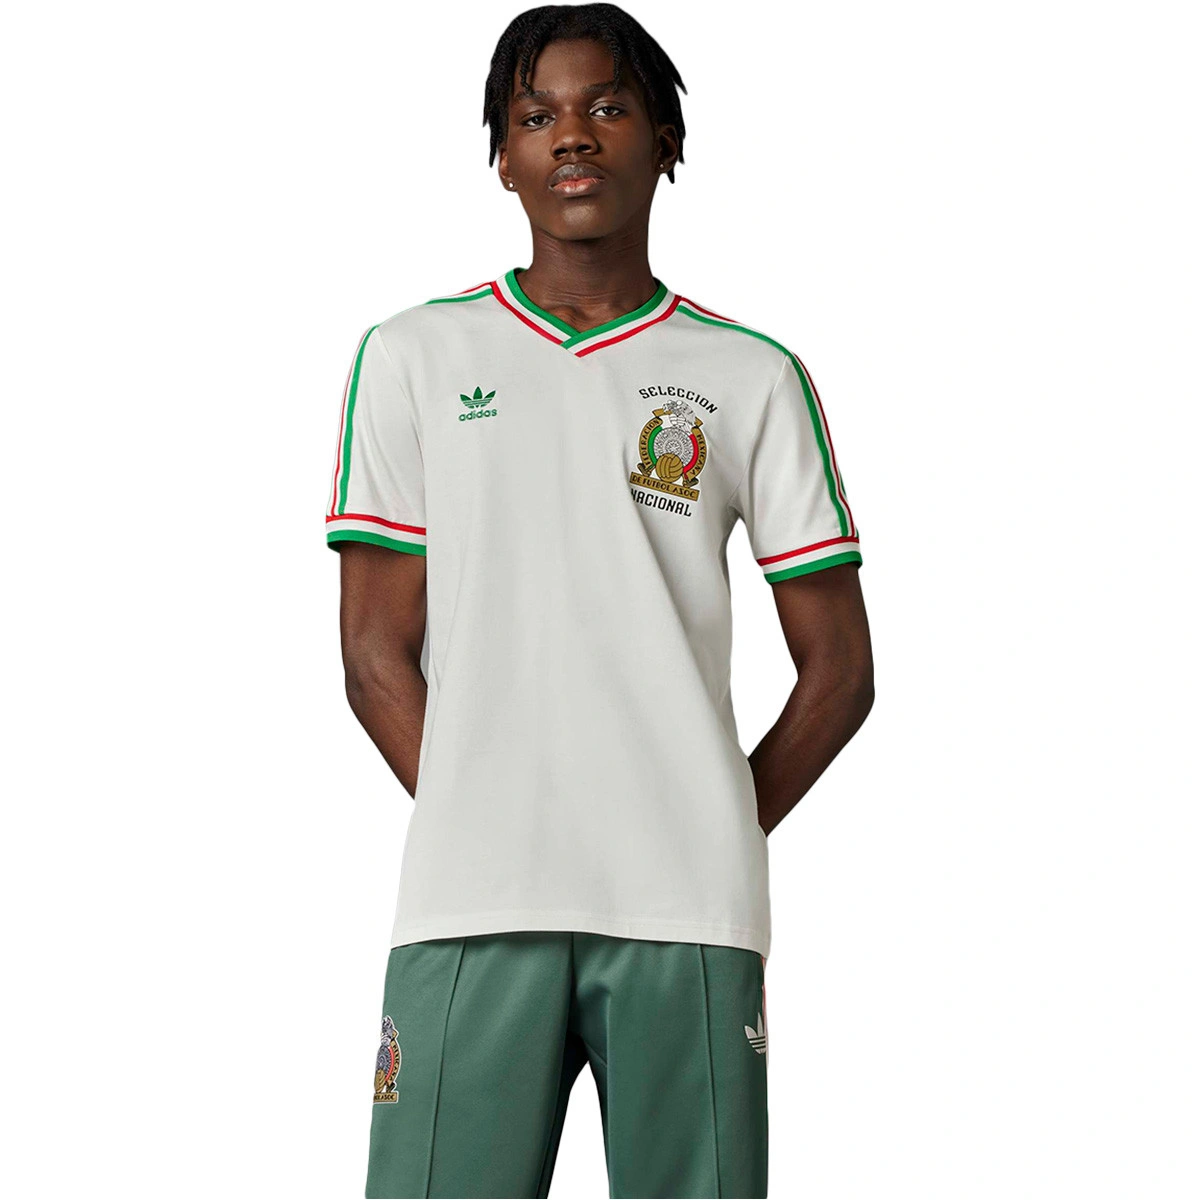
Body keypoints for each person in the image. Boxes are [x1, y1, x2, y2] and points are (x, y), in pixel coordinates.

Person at [326, 5, 874, 1196]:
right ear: (502, 157)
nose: (572, 135)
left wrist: (709, 817)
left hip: (688, 911)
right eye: (537, 116)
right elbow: (373, 655)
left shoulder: (753, 376)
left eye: (608, 107)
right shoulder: (414, 356)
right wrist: (487, 804)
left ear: (665, 140)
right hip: (471, 901)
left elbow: (840, 670)